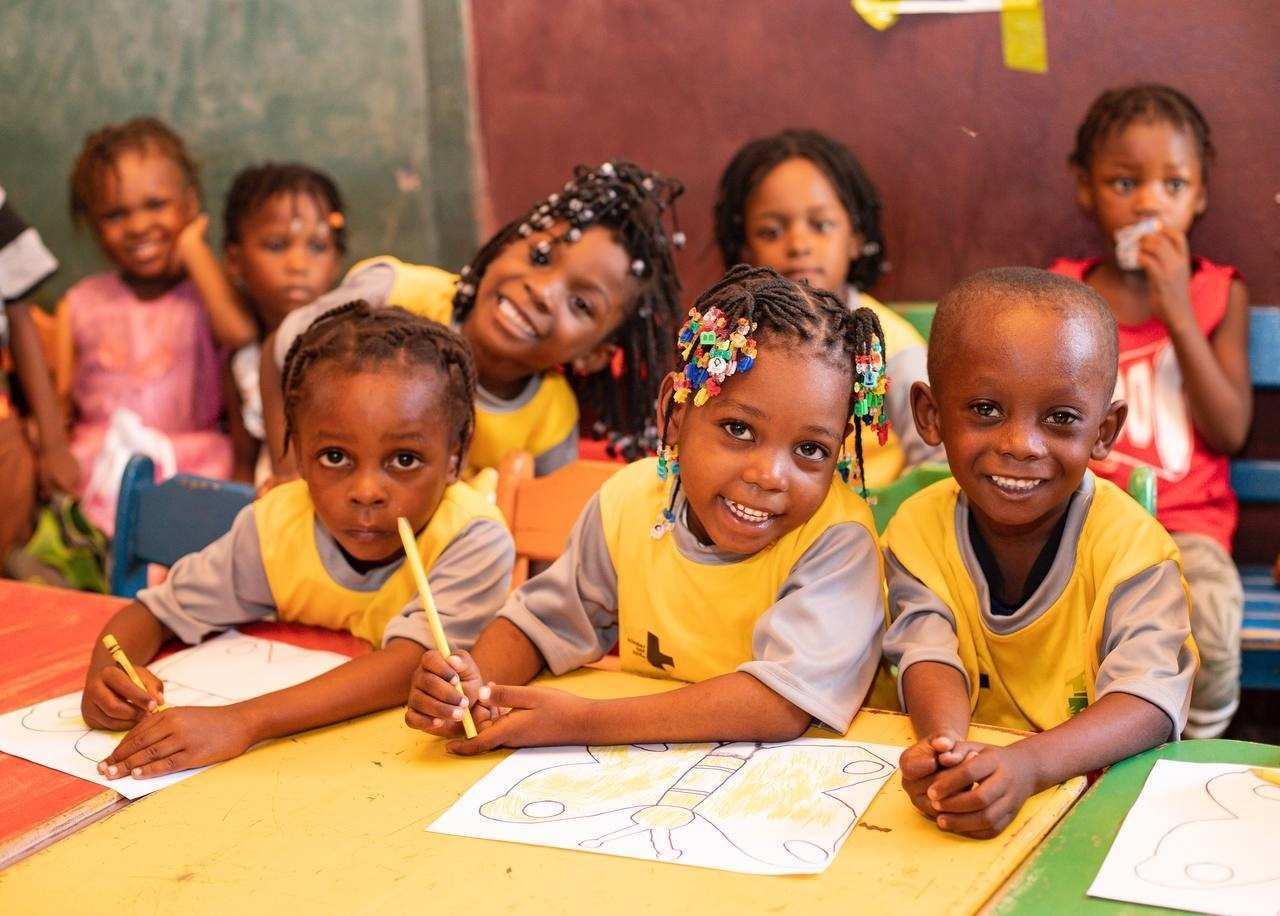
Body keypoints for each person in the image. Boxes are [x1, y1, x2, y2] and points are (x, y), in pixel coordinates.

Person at [407, 265, 889, 753]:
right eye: (739, 430)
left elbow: (780, 704)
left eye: (810, 449)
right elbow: (541, 624)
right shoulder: (629, 502)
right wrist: (472, 688)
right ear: (674, 414)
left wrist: (585, 723)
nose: (770, 476)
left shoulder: (838, 538)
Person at [82, 304, 513, 779]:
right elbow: (153, 613)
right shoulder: (274, 527)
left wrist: (242, 721)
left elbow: (408, 666)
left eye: (405, 460)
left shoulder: (473, 539)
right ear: (295, 453)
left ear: (455, 457)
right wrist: (108, 674)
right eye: (334, 456)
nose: (367, 491)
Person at [885, 267, 1196, 838]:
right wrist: (948, 756)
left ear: (1104, 431)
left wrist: (1028, 766)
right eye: (984, 409)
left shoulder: (1135, 553)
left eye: (1059, 418)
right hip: (979, 794)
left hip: (1100, 804)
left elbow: (1147, 702)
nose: (1020, 445)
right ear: (930, 415)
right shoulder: (915, 530)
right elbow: (927, 650)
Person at [263, 161, 685, 481]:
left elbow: (546, 540)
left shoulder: (550, 422)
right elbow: (281, 351)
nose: (541, 291)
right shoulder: (393, 294)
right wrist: (289, 482)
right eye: (539, 256)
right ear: (505, 243)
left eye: (580, 305)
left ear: (595, 354)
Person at [1050, 84, 1250, 738]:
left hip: (1188, 526)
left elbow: (1231, 429)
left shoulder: (1220, 293)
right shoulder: (1065, 292)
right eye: (1124, 182)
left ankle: (1199, 738)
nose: (1147, 202)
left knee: (1212, 629)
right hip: (1086, 519)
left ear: (1199, 197)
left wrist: (1177, 311)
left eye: (1172, 184)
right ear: (1087, 189)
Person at [713, 129, 940, 487]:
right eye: (771, 232)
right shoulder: (729, 338)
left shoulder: (894, 350)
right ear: (745, 250)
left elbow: (935, 463)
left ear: (855, 238)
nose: (799, 244)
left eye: (821, 226)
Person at [219, 163, 345, 484]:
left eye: (317, 247)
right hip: (273, 504)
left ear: (336, 261)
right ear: (234, 260)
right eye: (277, 245)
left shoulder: (352, 347)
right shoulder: (242, 362)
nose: (298, 265)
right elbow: (243, 465)